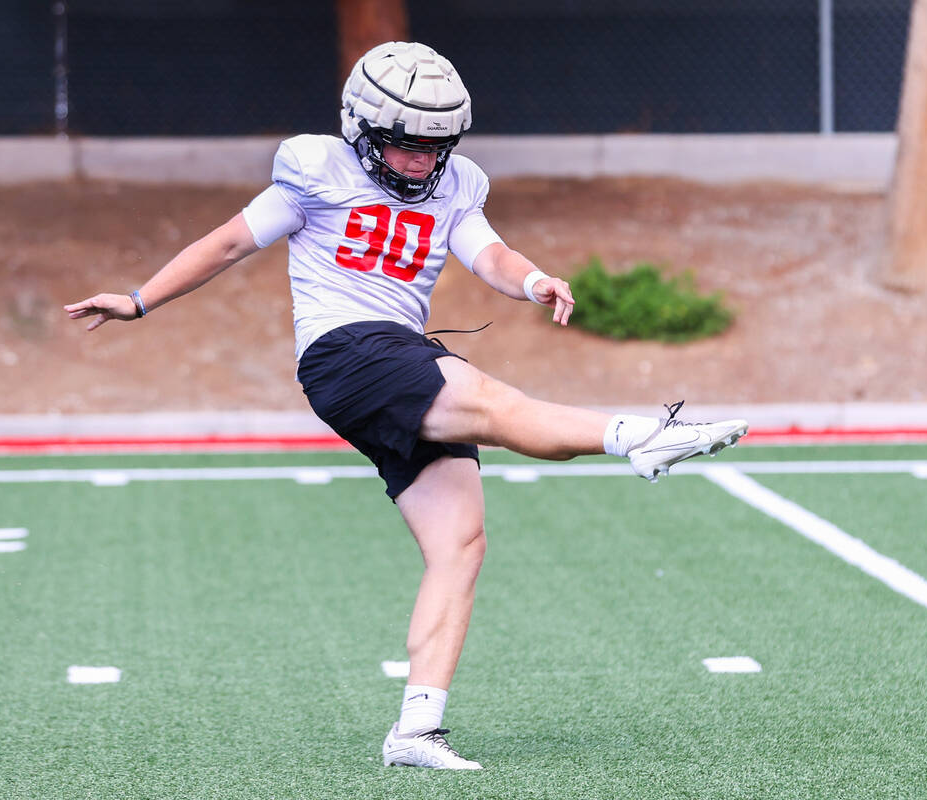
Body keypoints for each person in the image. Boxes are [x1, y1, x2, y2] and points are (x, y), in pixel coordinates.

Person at [65, 41, 747, 770]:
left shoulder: (457, 187)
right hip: (346, 353)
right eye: (404, 146)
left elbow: (491, 255)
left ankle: (417, 730)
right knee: (487, 401)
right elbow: (230, 242)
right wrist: (140, 300)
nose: (422, 163)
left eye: (435, 147)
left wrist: (535, 280)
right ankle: (637, 437)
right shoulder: (314, 170)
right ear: (362, 128)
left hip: (396, 354)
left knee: (460, 543)